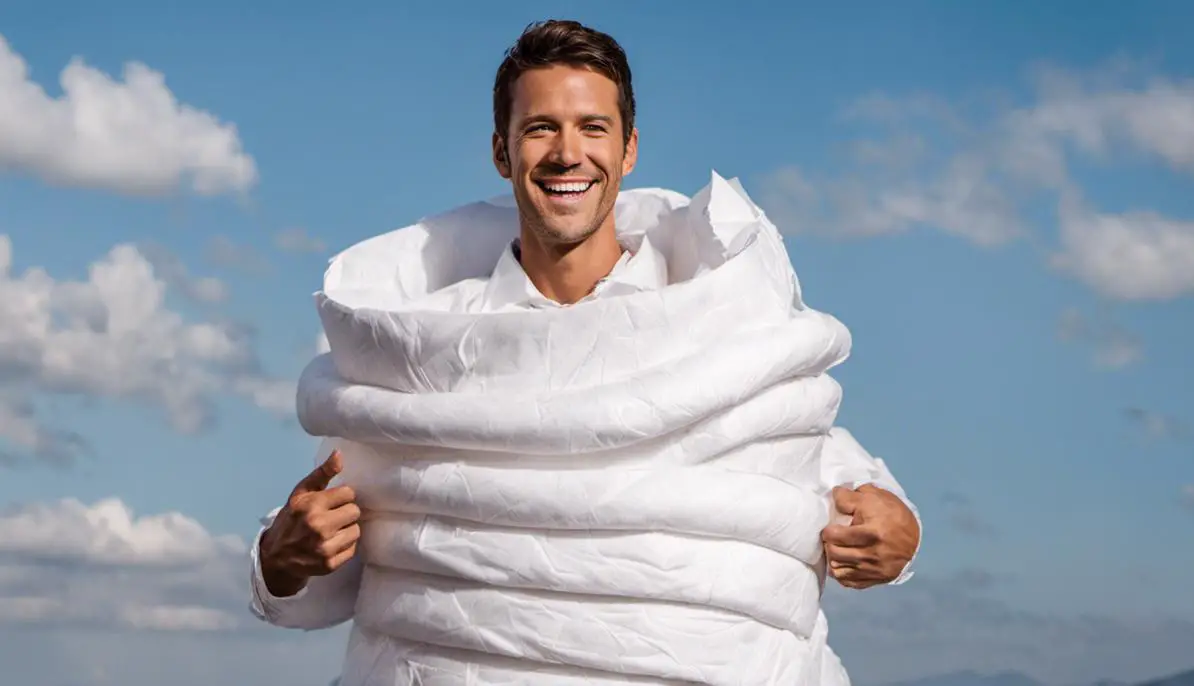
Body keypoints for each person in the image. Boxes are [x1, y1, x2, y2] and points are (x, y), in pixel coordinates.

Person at [251, 18, 921, 683]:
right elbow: (324, 573)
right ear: (500, 151)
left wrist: (899, 534)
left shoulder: (712, 320)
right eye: (541, 127)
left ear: (628, 150)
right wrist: (279, 559)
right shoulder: (425, 350)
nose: (568, 153)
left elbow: (811, 459)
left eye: (592, 127)